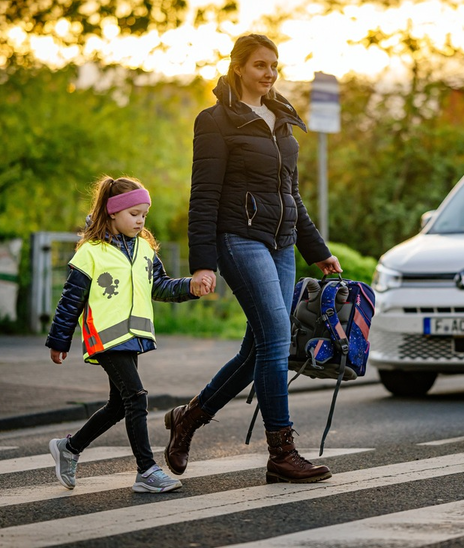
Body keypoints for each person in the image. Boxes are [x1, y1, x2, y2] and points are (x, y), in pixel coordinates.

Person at [163, 33, 342, 484]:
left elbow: (290, 195)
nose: (269, 73)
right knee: (277, 336)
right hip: (238, 238)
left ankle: (188, 418)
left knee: (258, 349)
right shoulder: (216, 121)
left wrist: (317, 251)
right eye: (261, 65)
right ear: (238, 67)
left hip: (281, 243)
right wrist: (202, 262)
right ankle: (282, 453)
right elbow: (203, 196)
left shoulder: (281, 120)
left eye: (275, 66)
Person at [45, 176, 211, 493]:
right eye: (134, 213)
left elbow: (159, 286)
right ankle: (146, 471)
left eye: (144, 214)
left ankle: (69, 448)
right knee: (136, 397)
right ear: (112, 212)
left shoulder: (145, 249)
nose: (140, 220)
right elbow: (70, 300)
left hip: (132, 335)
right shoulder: (90, 252)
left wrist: (190, 286)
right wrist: (59, 339)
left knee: (119, 405)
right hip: (104, 337)